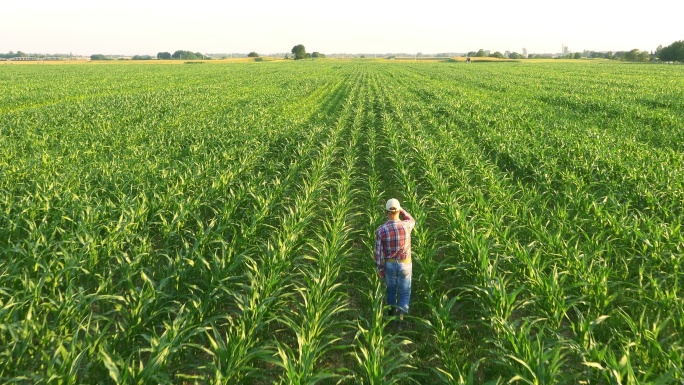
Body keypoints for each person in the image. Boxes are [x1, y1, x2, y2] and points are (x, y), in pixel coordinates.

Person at [374, 198, 416, 331]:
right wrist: (402, 210)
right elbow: (411, 219)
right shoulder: (406, 225)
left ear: (386, 212)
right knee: (405, 293)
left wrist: (380, 268)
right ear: (398, 211)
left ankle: (392, 312)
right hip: (405, 264)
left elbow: (378, 252)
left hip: (390, 265)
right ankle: (400, 316)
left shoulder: (381, 230)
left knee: (391, 290)